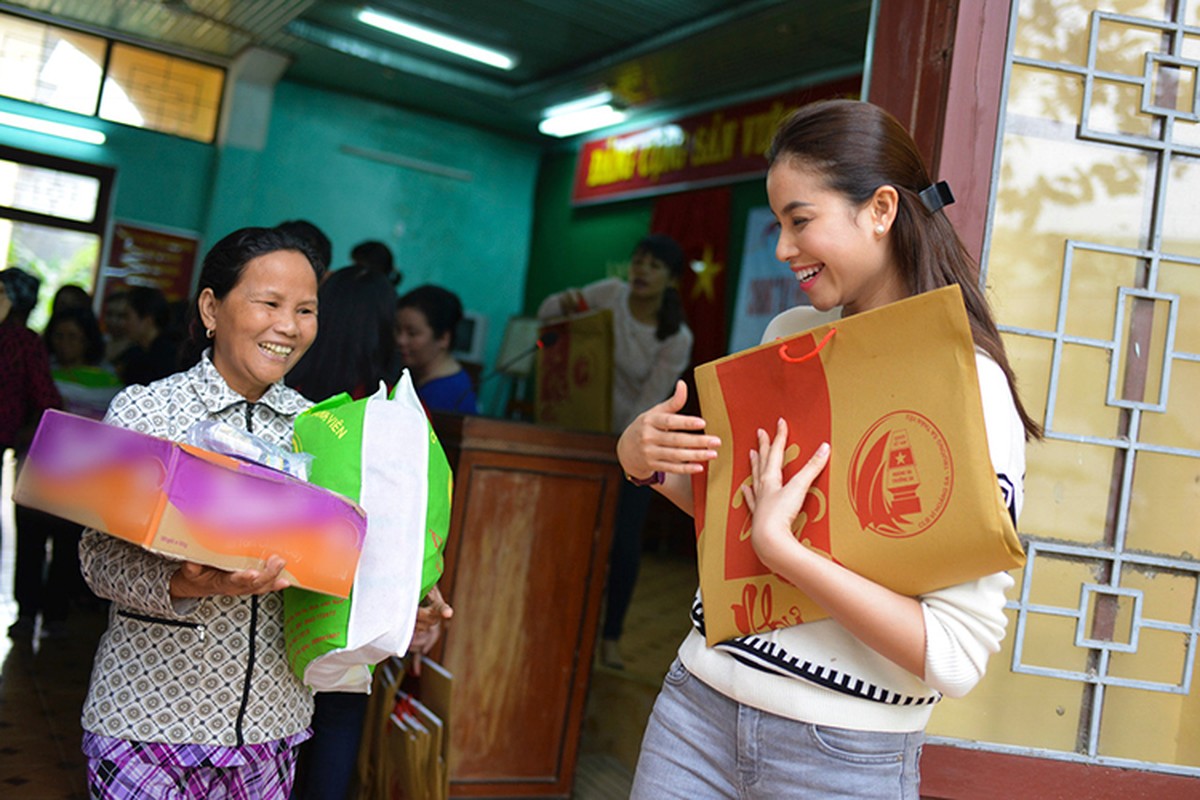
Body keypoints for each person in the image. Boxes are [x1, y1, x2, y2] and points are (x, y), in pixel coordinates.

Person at [615, 99, 1041, 799]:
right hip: (695, 711)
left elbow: (956, 656)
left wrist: (791, 555)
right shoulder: (788, 334)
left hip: (842, 758)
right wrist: (646, 460)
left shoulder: (968, 385)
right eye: (780, 223)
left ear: (880, 209)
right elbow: (743, 522)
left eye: (800, 220)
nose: (783, 248)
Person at [78, 226, 325, 797]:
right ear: (211, 307)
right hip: (148, 720)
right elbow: (95, 561)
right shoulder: (147, 410)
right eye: (269, 303)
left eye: (306, 309)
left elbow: (342, 559)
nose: (288, 326)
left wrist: (400, 604)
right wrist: (183, 580)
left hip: (271, 724)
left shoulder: (322, 432)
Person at [287, 265, 454, 800]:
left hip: (284, 589)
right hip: (361, 595)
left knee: (278, 727)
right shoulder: (392, 412)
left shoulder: (291, 400)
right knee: (338, 718)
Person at [537, 234, 694, 669]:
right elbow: (548, 312)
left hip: (636, 447)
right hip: (582, 436)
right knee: (570, 536)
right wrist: (566, 303)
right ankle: (561, 626)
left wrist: (613, 434)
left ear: (671, 281)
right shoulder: (610, 294)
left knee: (623, 544)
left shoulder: (676, 337)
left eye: (654, 266)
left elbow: (646, 404)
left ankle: (611, 636)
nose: (642, 271)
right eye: (638, 262)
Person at [10, 307, 121, 639]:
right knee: (28, 545)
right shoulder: (39, 374)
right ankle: (26, 613)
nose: (65, 344)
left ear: (88, 340)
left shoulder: (109, 381)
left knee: (66, 547)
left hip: (80, 476)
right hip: (36, 470)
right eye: (59, 336)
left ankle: (56, 615)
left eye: (73, 337)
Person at [1, 268, 64, 638]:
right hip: (13, 440)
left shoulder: (23, 342)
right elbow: (47, 401)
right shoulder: (26, 342)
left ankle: (29, 611)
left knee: (30, 533)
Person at [395, 284, 478, 414]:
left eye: (412, 333)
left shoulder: (445, 394)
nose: (400, 340)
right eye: (397, 330)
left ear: (444, 338)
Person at [113, 284, 180, 385]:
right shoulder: (135, 353)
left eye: (127, 317)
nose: (123, 324)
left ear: (147, 320)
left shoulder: (167, 358)